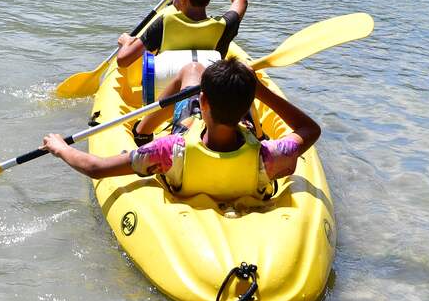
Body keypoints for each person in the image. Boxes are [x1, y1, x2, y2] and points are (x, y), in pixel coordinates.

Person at [42, 58, 322, 203]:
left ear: (203, 102)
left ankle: (143, 128)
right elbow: (310, 129)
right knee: (204, 81)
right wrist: (261, 92)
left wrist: (61, 147)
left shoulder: (168, 151)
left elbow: (96, 168)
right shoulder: (270, 156)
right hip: (243, 137)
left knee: (192, 71)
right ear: (250, 104)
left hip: (188, 134)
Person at [116, 0, 247, 103]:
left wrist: (126, 42)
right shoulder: (223, 26)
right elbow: (241, 0)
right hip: (209, 99)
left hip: (166, 103)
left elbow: (123, 60)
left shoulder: (165, 22)